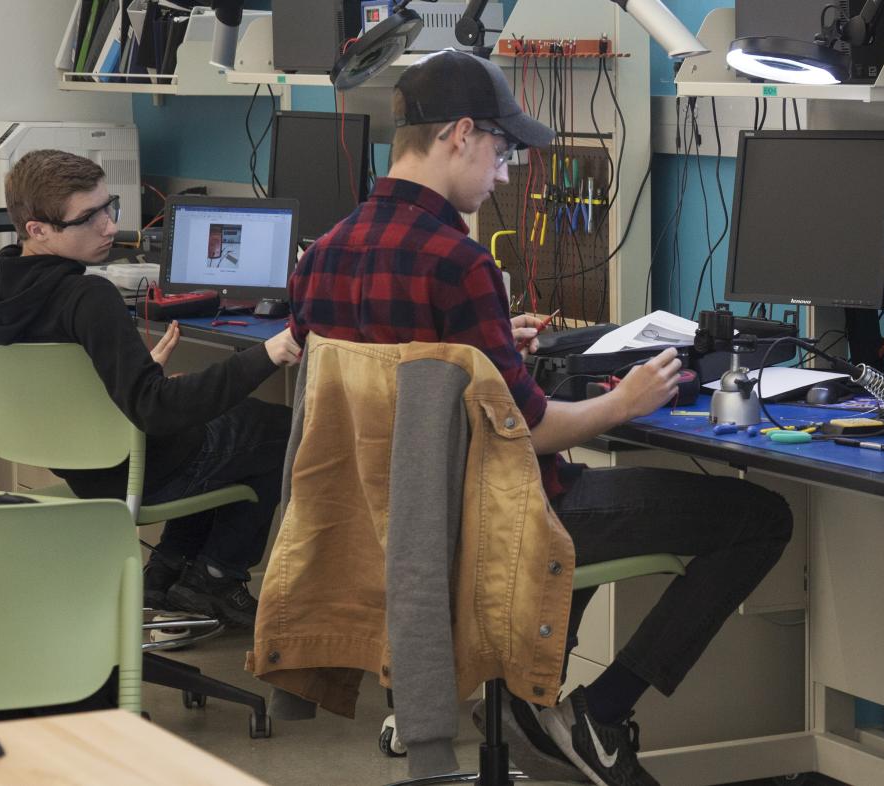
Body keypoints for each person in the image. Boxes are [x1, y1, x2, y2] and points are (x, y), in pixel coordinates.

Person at [288, 50, 791, 786]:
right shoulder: (458, 264)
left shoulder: (323, 254)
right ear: (460, 133)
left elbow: (402, 390)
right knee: (758, 517)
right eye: (500, 152)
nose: (501, 175)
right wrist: (626, 401)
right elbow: (532, 430)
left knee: (581, 496)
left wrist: (494, 350)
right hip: (494, 531)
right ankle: (600, 711)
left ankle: (533, 700)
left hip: (387, 532)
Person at [0, 149, 302, 629]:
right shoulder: (88, 296)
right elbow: (159, 412)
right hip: (134, 470)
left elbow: (65, 380)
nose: (109, 228)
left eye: (110, 207)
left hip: (81, 465)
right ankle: (215, 574)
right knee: (279, 426)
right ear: (37, 229)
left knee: (217, 414)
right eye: (88, 217)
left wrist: (133, 373)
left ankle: (167, 569)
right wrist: (270, 351)